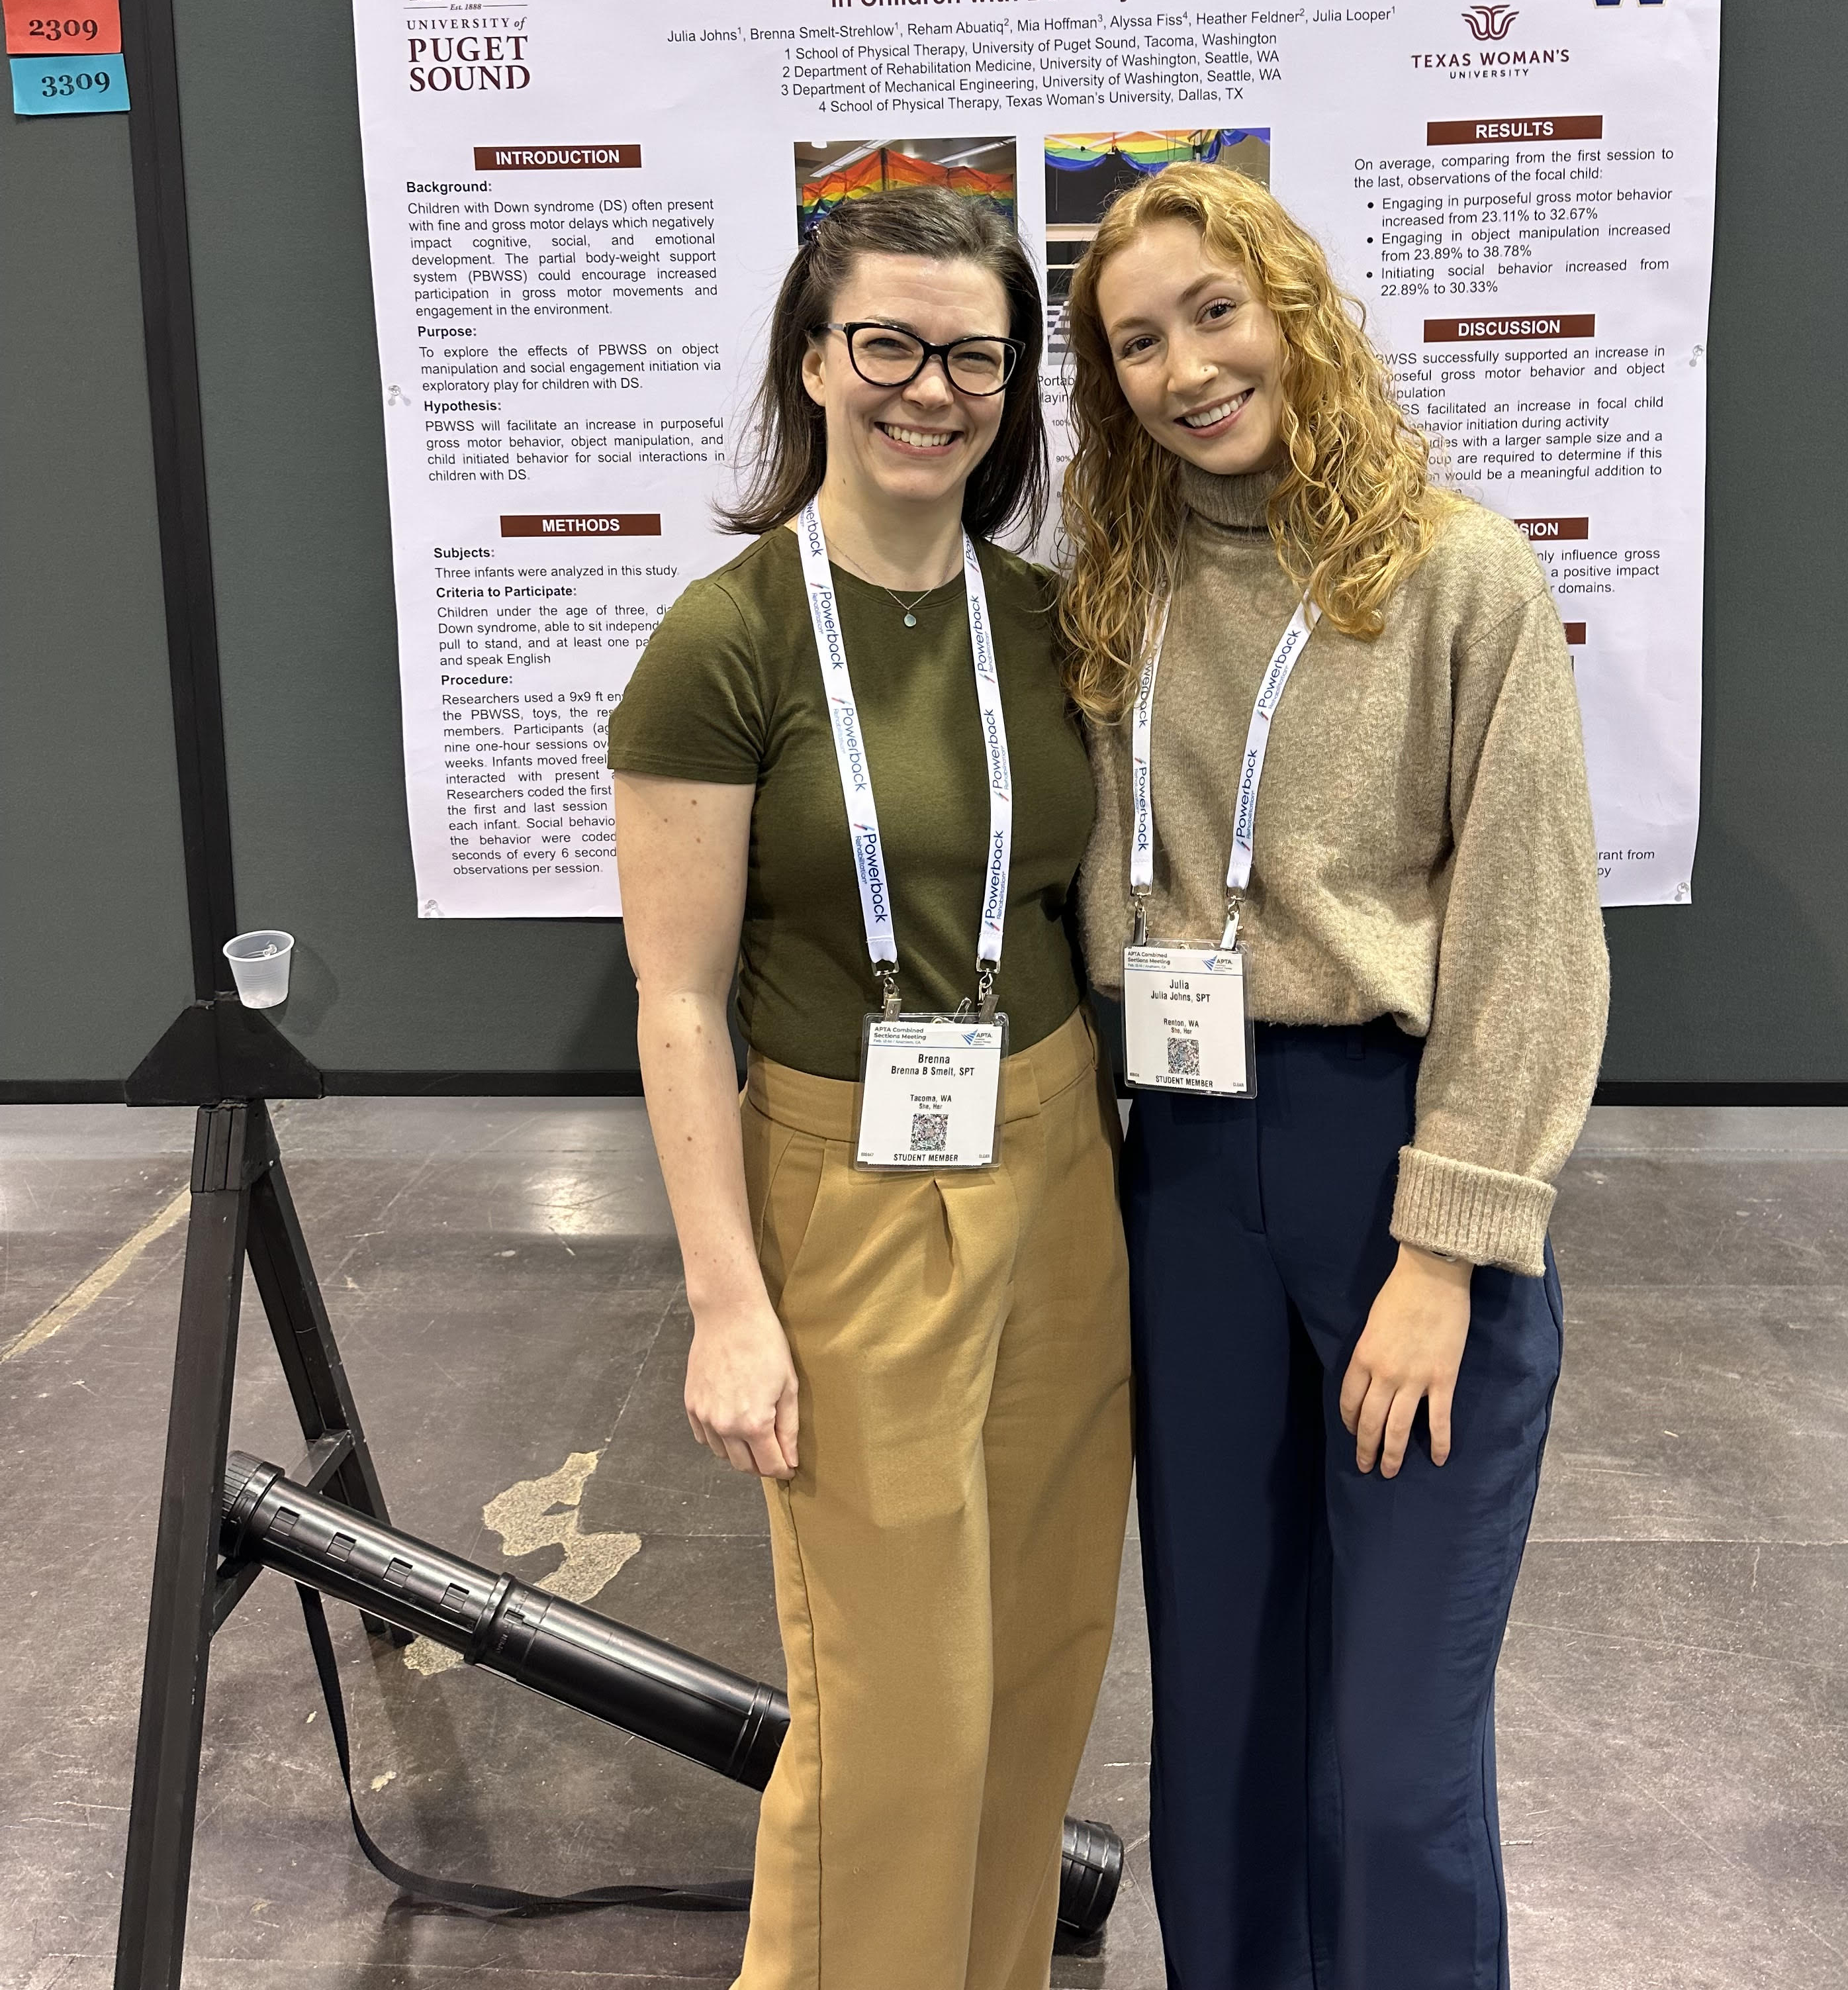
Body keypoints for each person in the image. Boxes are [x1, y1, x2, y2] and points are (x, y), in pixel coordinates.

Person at [1059, 164, 1608, 1990]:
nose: (1186, 366)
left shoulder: (1461, 575)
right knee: (1217, 1719)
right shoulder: (1113, 592)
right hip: (1189, 1172)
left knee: (1392, 1761)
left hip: (1396, 1166)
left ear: (1293, 310)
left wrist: (1446, 1254)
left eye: (1215, 312)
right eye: (1136, 340)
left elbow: (1532, 935)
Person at [608, 187, 1131, 1990]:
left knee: (1044, 1646)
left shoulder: (1052, 622)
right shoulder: (729, 638)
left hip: (1060, 1161)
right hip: (849, 1182)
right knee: (895, 1691)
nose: (932, 387)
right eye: (888, 345)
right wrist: (725, 1301)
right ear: (816, 363)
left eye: (974, 353)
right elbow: (677, 1001)